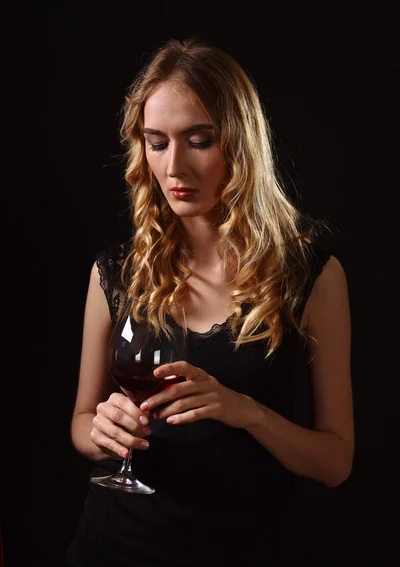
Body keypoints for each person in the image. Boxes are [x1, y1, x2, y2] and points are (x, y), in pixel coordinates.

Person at [65, 38, 354, 566]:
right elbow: (83, 422)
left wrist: (247, 412)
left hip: (246, 548)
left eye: (199, 140)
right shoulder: (115, 272)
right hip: (114, 547)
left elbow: (336, 461)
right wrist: (99, 430)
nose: (174, 166)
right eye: (156, 142)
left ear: (240, 144)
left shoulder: (310, 276)